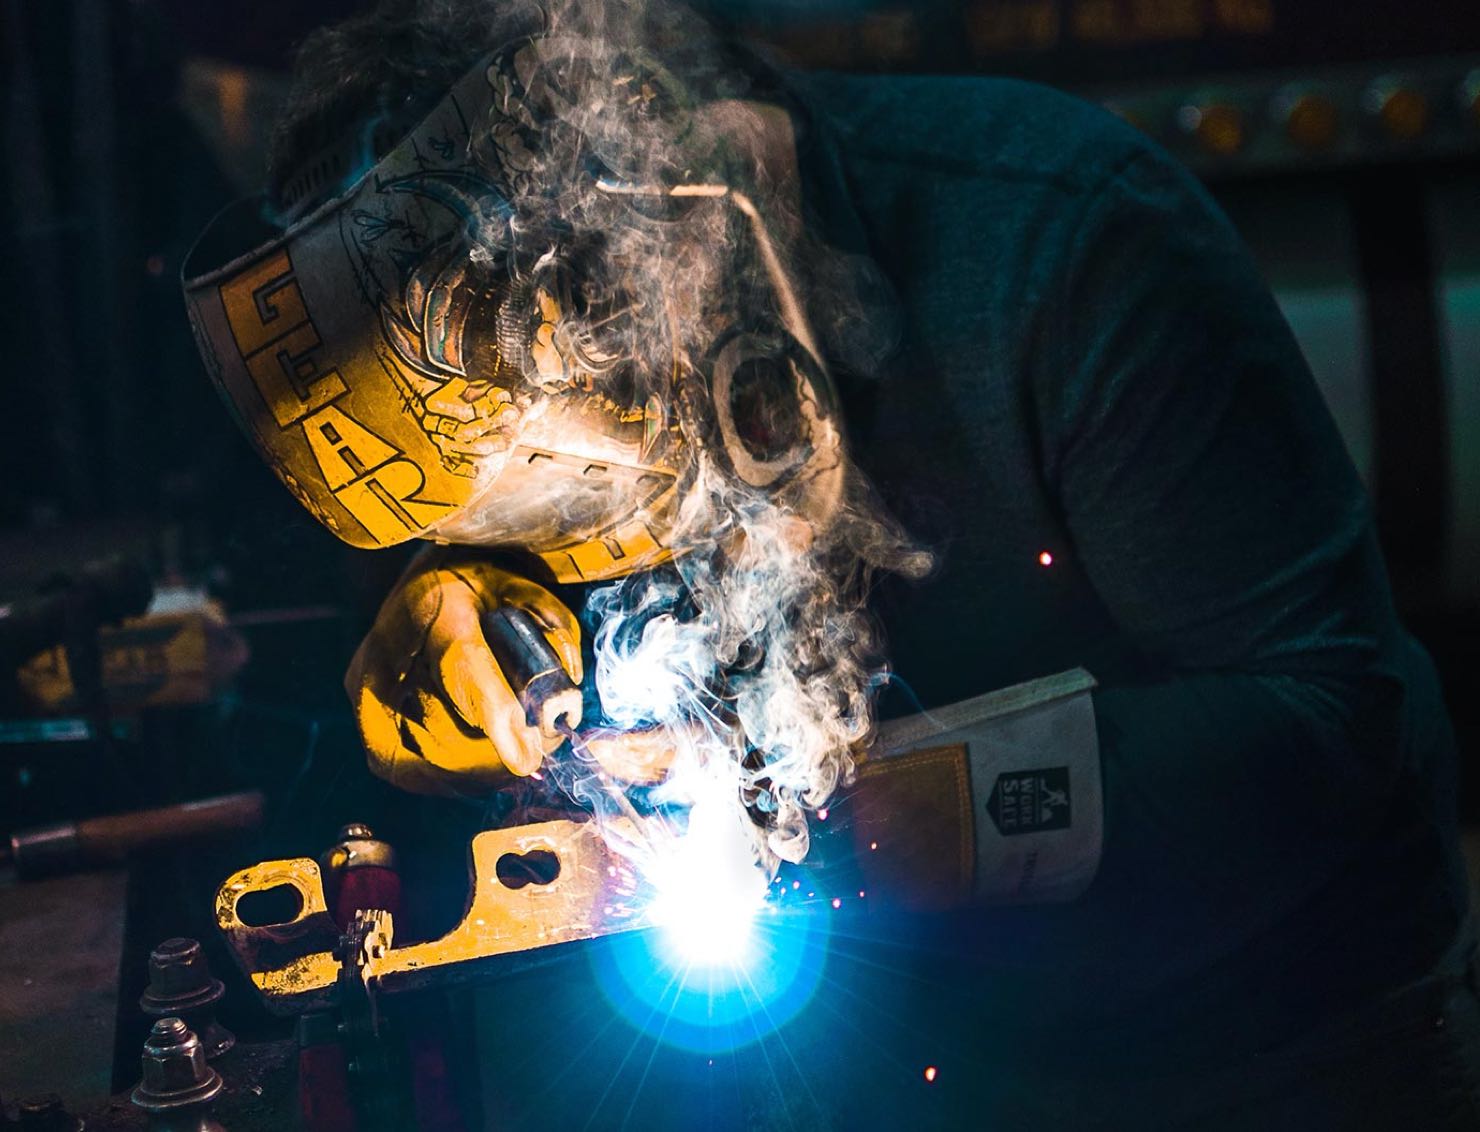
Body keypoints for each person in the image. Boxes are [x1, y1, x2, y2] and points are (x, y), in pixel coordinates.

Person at [183, 0, 1477, 1127]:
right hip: (931, 1065)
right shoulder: (460, 351)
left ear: (664, 236)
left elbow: (1329, 720)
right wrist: (459, 620)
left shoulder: (1063, 243)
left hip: (1276, 1049)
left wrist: (861, 823)